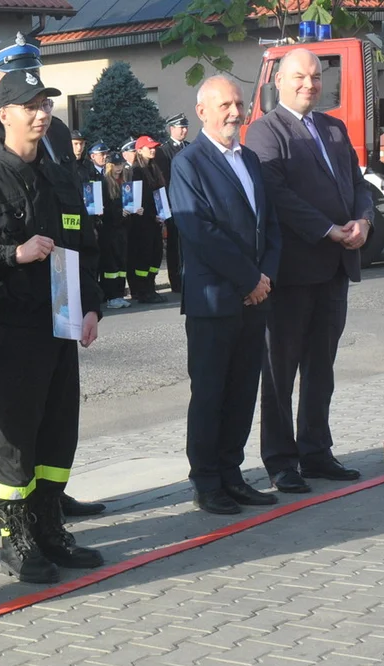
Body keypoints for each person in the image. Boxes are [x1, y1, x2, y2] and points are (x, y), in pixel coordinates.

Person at [0, 70, 104, 585]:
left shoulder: (59, 176)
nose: (41, 114)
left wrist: (92, 304)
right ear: (3, 114)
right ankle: (16, 537)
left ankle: (50, 524)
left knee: (58, 427)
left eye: (45, 105)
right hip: (15, 327)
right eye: (29, 106)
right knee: (14, 434)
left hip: (62, 322)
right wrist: (13, 253)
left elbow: (84, 244)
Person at [245, 48, 374, 493]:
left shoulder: (334, 128)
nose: (310, 84)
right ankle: (282, 461)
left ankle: (316, 451)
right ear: (278, 81)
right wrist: (327, 230)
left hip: (334, 270)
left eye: (317, 76)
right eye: (300, 76)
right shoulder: (265, 132)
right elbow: (276, 195)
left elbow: (358, 185)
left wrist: (364, 221)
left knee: (322, 368)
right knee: (280, 374)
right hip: (293, 274)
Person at [169, 75, 282, 515]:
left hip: (255, 297)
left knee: (242, 392)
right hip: (214, 301)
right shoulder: (189, 163)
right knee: (211, 393)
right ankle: (207, 481)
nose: (236, 112)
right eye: (226, 105)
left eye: (239, 103)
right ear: (202, 112)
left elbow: (268, 225)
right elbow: (200, 231)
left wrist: (265, 277)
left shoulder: (250, 159)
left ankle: (233, 474)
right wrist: (248, 280)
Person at [0, 32, 76, 191]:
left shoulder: (58, 129)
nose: (27, 81)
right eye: (14, 76)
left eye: (33, 73)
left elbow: (73, 186)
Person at [128, 136, 167, 304]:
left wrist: (163, 214)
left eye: (154, 147)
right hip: (142, 223)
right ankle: (143, 291)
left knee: (155, 255)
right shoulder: (137, 171)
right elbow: (139, 201)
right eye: (149, 148)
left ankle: (151, 287)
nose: (153, 150)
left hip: (155, 221)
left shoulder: (154, 168)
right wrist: (152, 215)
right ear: (139, 150)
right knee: (144, 257)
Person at [157, 113, 190, 294]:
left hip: (189, 203)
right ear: (172, 129)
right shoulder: (163, 151)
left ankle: (188, 275)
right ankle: (176, 280)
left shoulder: (189, 147)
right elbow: (164, 179)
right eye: (180, 127)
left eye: (185, 127)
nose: (184, 130)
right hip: (173, 203)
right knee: (175, 244)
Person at [99, 152, 132, 310]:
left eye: (120, 165)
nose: (119, 168)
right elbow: (105, 209)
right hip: (110, 230)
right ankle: (111, 295)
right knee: (111, 265)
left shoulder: (124, 182)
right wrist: (119, 212)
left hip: (122, 228)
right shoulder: (105, 183)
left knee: (121, 263)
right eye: (116, 165)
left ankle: (119, 294)